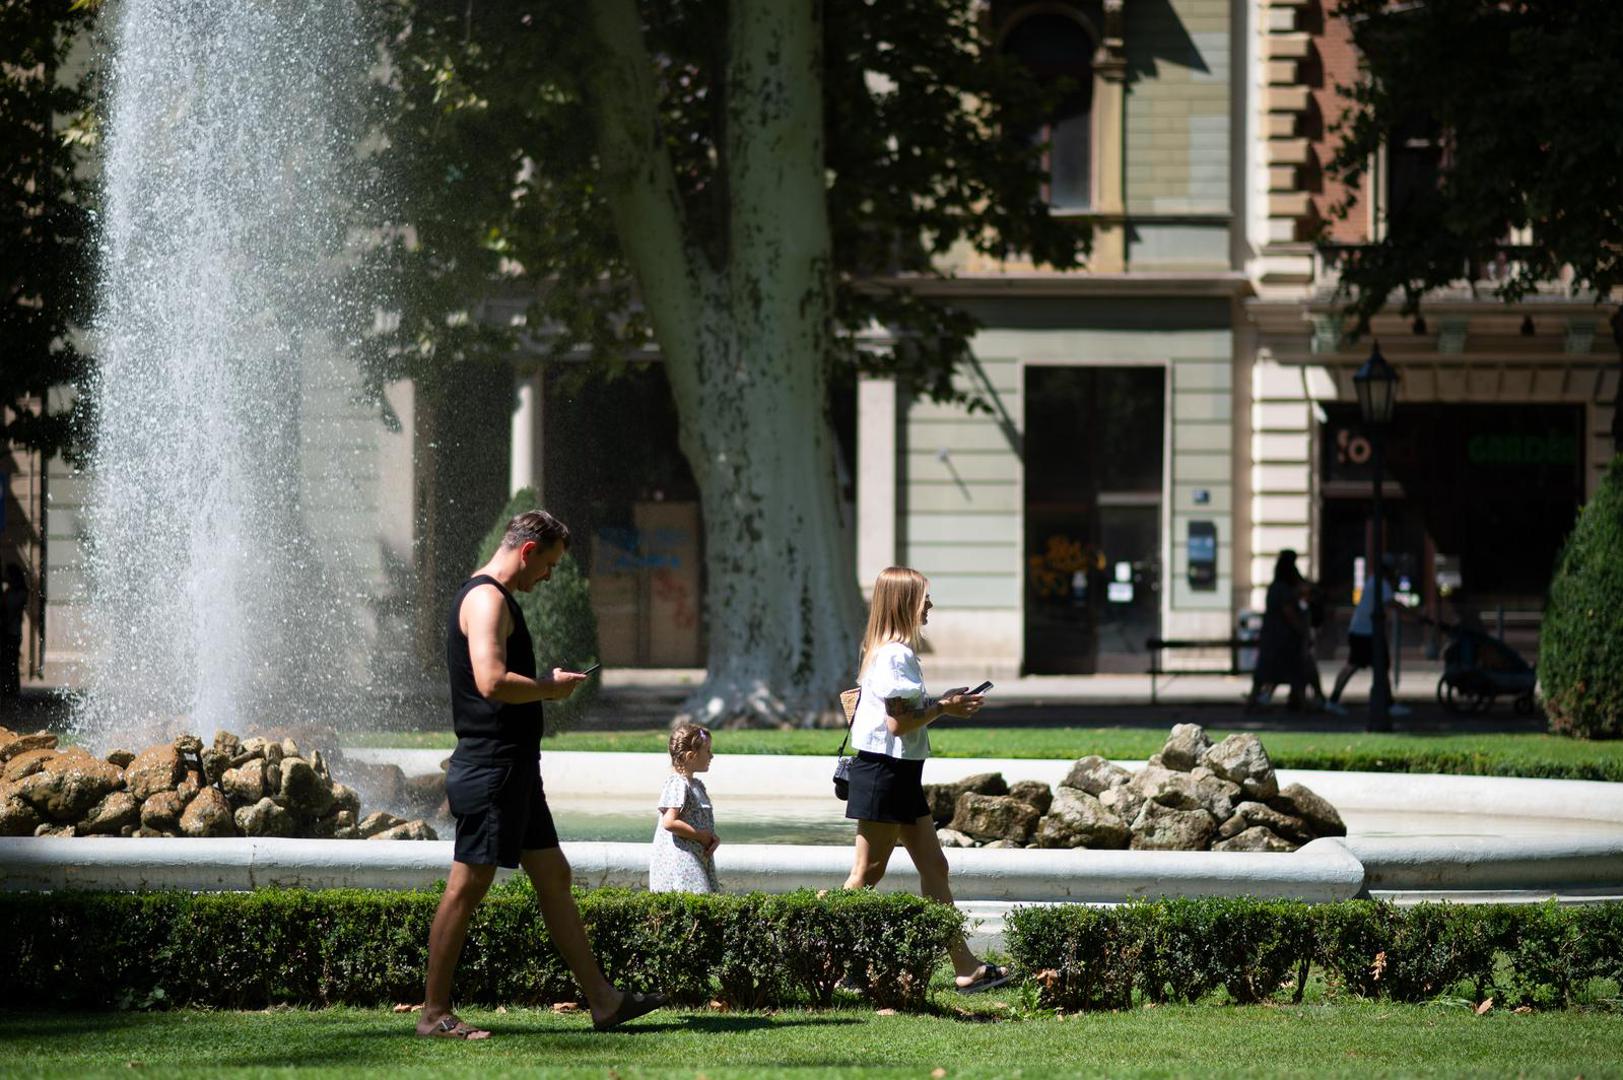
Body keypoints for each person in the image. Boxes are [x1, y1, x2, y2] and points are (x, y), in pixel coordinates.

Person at [418, 509, 665, 1040]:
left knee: (553, 875)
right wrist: (548, 687)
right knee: (467, 885)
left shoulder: (495, 599)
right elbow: (488, 680)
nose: (550, 577)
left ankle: (604, 1002)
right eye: (549, 565)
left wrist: (544, 686)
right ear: (528, 551)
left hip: (514, 771)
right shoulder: (485, 598)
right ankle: (434, 1013)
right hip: (491, 769)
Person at [841, 566, 1010, 993]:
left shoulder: (886, 650)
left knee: (935, 866)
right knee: (866, 874)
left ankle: (966, 968)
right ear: (904, 603)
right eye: (924, 598)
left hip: (897, 774)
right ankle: (827, 956)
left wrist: (941, 704)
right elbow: (899, 724)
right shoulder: (895, 653)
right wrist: (945, 708)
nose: (930, 605)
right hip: (886, 772)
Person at [1326, 557, 1411, 718]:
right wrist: (1413, 614)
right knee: (1357, 666)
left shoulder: (1375, 581)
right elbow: (1391, 603)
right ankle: (1334, 700)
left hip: (1365, 630)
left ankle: (1386, 702)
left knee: (1377, 666)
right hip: (1366, 632)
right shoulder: (1381, 584)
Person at [649, 723, 719, 893]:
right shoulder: (678, 784)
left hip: (696, 858)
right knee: (698, 903)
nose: (712, 756)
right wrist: (700, 836)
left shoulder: (695, 785)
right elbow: (670, 822)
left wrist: (711, 838)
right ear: (691, 756)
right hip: (682, 862)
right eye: (707, 751)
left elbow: (697, 819)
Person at [1246, 550, 1308, 710]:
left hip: (1273, 635)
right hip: (1283, 637)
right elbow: (1289, 612)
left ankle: (1255, 701)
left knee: (1266, 671)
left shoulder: (1276, 586)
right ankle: (1300, 702)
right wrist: (1301, 629)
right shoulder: (1283, 588)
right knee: (1294, 670)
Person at [1, 563, 28, 699]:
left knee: (11, 661)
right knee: (9, 661)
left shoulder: (17, 593)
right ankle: (10, 688)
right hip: (11, 631)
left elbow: (9, 609)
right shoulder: (12, 592)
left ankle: (11, 689)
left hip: (12, 631)